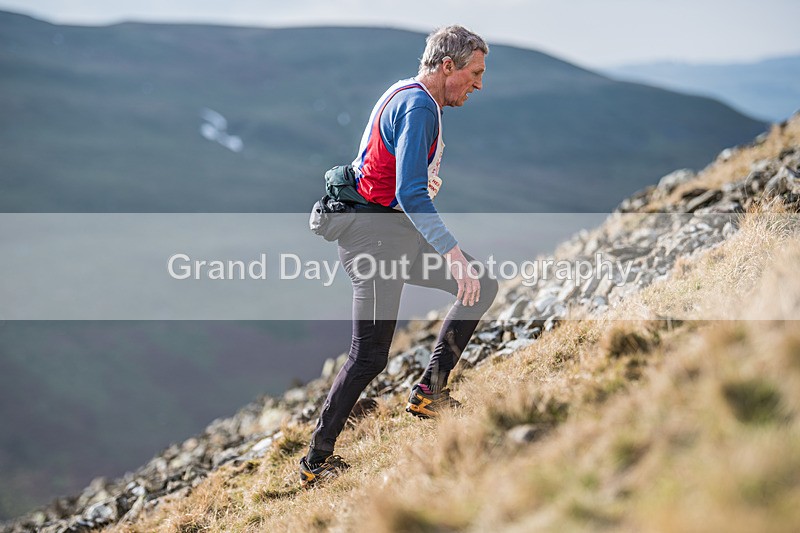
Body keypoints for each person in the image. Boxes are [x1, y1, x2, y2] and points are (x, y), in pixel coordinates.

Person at [300, 25, 498, 487]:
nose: (479, 84)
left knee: (480, 285)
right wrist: (452, 253)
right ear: (447, 66)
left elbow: (388, 177)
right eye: (475, 72)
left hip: (387, 232)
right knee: (369, 355)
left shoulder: (404, 92)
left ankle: (431, 390)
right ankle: (315, 463)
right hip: (375, 240)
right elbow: (410, 191)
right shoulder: (419, 107)